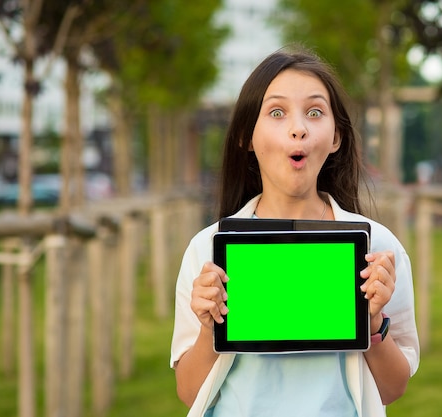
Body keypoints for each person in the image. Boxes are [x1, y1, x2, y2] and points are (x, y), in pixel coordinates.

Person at [170, 46, 419, 417]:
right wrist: (210, 329)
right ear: (245, 137)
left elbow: (393, 388)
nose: (298, 127)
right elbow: (190, 393)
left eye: (315, 112)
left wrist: (372, 323)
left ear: (336, 136)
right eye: (276, 112)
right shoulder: (207, 250)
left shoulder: (378, 248)